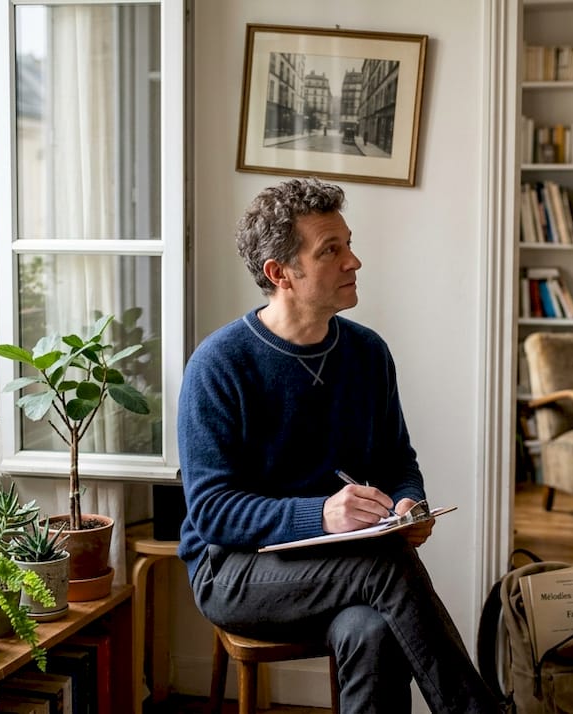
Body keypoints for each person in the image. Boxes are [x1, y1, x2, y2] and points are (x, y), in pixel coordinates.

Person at [177, 177, 502, 713]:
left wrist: (409, 503)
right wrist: (322, 515)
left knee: (372, 630)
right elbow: (212, 512)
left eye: (348, 244)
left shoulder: (368, 353)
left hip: (344, 565)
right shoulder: (219, 365)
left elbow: (397, 459)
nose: (354, 261)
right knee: (384, 566)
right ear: (279, 273)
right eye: (331, 250)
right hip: (235, 571)